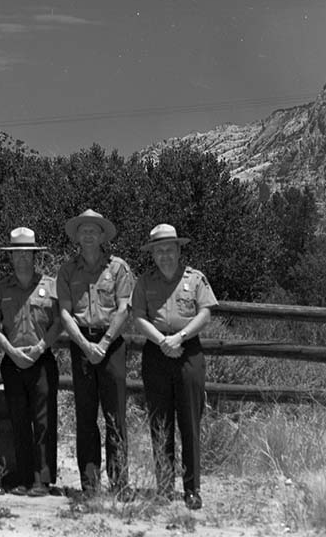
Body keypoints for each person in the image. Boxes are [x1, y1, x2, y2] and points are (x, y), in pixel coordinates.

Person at [132, 224, 217, 510]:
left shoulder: (195, 279)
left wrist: (179, 337)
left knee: (190, 422)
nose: (165, 255)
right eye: (159, 251)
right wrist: (162, 341)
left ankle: (192, 489)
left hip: (188, 351)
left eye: (169, 249)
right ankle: (165, 486)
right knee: (159, 422)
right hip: (156, 354)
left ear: (179, 250)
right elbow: (139, 316)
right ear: (153, 255)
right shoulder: (145, 282)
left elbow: (205, 313)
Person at [56, 208, 134, 495]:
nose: (88, 235)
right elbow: (64, 313)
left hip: (110, 345)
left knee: (115, 416)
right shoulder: (67, 270)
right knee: (86, 416)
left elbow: (124, 308)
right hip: (81, 346)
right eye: (83, 230)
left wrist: (103, 344)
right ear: (77, 236)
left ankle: (120, 483)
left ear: (102, 235)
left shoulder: (118, 268)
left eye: (93, 230)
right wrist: (85, 345)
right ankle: (89, 484)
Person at [0, 227, 61, 497]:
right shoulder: (0, 288)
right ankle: (24, 476)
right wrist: (10, 351)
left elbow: (60, 322)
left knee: (43, 421)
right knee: (19, 420)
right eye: (16, 253)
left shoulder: (50, 285)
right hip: (12, 361)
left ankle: (43, 479)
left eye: (26, 253)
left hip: (42, 361)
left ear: (34, 255)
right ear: (11, 256)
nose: (21, 258)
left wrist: (41, 347)